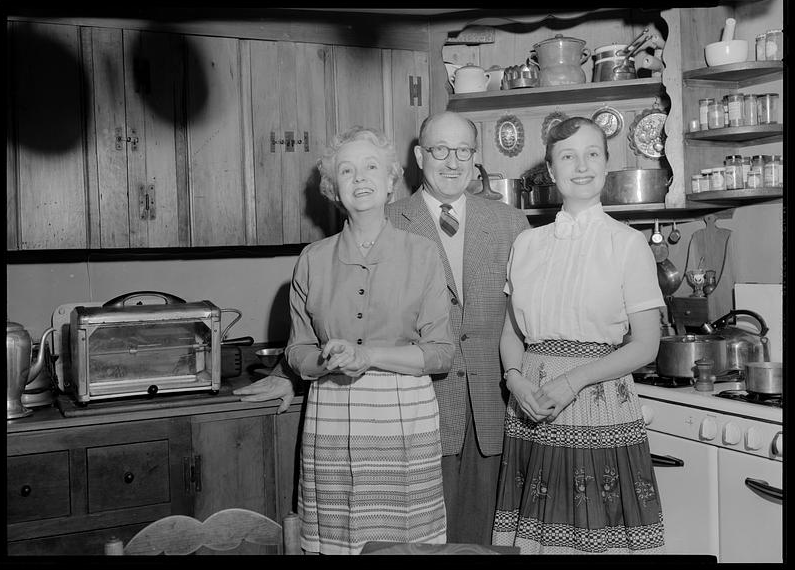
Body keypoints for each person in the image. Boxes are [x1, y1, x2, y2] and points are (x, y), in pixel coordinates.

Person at [491, 116, 665, 554]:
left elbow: (646, 344)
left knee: (594, 538)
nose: (581, 165)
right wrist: (515, 381)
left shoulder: (627, 245)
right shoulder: (526, 245)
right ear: (551, 171)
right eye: (567, 156)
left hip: (598, 405)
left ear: (606, 165)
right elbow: (511, 332)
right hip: (531, 405)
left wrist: (573, 380)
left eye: (592, 154)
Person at [278, 126, 454, 555]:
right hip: (333, 416)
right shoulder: (313, 260)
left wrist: (368, 354)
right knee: (337, 543)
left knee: (404, 545)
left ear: (392, 179)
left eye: (371, 167)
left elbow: (441, 353)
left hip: (403, 419)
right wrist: (326, 361)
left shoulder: (424, 253)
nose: (360, 178)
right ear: (332, 188)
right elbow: (298, 351)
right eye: (347, 170)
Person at [385, 111, 530, 544]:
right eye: (440, 150)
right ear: (418, 156)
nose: (452, 162)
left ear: (475, 157)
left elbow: (528, 317)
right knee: (423, 544)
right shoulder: (387, 223)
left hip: (495, 406)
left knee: (487, 542)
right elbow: (349, 311)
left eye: (463, 151)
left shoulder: (510, 222)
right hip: (420, 407)